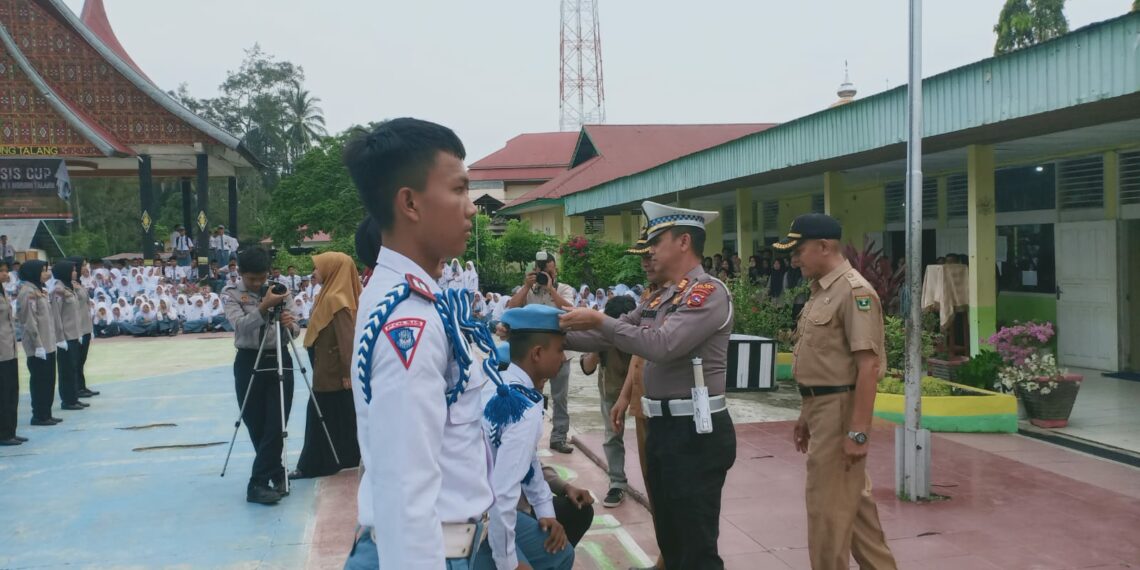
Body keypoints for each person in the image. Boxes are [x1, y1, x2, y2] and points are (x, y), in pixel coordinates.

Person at [343, 117, 494, 568]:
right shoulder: (410, 319)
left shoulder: (406, 295)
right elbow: (405, 491)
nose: (471, 208)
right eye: (458, 190)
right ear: (409, 203)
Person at [560, 202, 736, 570]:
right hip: (665, 430)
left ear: (684, 241)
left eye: (657, 240)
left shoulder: (707, 293)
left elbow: (662, 344)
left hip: (695, 434)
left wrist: (599, 318)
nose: (650, 249)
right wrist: (545, 335)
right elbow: (608, 337)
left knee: (696, 546)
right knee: (670, 538)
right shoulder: (662, 296)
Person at [774, 214, 897, 570]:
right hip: (822, 408)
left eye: (799, 251)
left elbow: (868, 367)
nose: (794, 260)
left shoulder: (854, 291)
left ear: (824, 247)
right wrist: (806, 414)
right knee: (855, 513)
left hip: (840, 412)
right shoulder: (822, 291)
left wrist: (858, 432)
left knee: (827, 513)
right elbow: (822, 362)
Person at [483, 305, 575, 570]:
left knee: (560, 553)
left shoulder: (500, 382)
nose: (563, 357)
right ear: (537, 354)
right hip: (473, 517)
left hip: (483, 507)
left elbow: (528, 462)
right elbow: (502, 495)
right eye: (559, 349)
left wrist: (546, 512)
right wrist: (509, 564)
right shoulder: (522, 407)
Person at [223, 247, 300, 505]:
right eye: (251, 279)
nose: (257, 283)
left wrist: (290, 324)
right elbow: (241, 327)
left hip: (279, 356)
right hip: (248, 360)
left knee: (277, 423)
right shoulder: (231, 293)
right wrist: (264, 307)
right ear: (240, 273)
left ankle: (256, 484)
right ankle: (277, 473)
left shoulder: (280, 290)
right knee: (255, 421)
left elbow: (297, 328)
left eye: (261, 277)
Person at [292, 251, 362, 480]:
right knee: (339, 414)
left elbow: (346, 339)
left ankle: (312, 465)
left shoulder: (336, 299)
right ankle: (346, 457)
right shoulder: (328, 295)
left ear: (332, 270)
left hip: (332, 372)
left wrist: (346, 373)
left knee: (319, 415)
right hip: (328, 368)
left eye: (318, 268)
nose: (314, 272)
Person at [506, 250, 576, 454]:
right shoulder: (528, 290)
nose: (544, 273)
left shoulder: (564, 289)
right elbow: (511, 309)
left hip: (560, 352)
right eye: (540, 270)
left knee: (560, 397)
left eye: (548, 269)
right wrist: (527, 286)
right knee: (530, 394)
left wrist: (551, 289)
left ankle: (559, 437)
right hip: (533, 356)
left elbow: (571, 310)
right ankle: (529, 436)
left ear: (555, 269)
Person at [579, 294, 636, 509]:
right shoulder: (601, 334)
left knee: (651, 439)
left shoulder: (640, 334)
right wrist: (599, 343)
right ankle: (617, 483)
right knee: (612, 436)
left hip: (640, 391)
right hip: (610, 390)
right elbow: (587, 367)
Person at [17, 260, 61, 426]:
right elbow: (29, 321)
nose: (46, 274)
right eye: (43, 271)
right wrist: (38, 345)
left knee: (49, 380)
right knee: (40, 381)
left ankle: (46, 413)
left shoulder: (39, 290)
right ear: (34, 272)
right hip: (38, 346)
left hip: (48, 343)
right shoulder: (27, 292)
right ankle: (39, 415)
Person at [50, 261, 86, 412]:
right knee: (66, 370)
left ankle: (73, 398)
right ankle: (68, 400)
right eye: (72, 270)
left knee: (72, 368)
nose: (75, 272)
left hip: (74, 335)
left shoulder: (69, 287)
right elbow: (56, 315)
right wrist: (60, 337)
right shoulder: (59, 289)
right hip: (65, 336)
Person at [0, 260, 25, 445]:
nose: (5, 274)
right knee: (3, 392)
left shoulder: (3, 292)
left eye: (5, 270)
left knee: (11, 391)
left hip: (9, 348)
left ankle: (11, 430)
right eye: (1, 271)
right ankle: (3, 434)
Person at [68, 257, 99, 398]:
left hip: (85, 326)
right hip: (77, 327)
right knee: (77, 360)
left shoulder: (78, 284)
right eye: (81, 266)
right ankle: (76, 388)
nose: (84, 268)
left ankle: (81, 386)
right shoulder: (69, 285)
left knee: (82, 360)